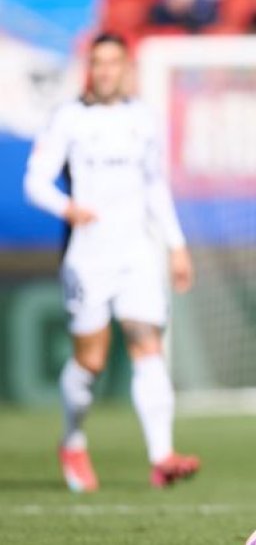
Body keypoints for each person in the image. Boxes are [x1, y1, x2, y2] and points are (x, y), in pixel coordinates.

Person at [23, 33, 200, 492]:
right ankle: (73, 441)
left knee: (147, 345)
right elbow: (35, 182)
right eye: (97, 63)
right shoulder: (68, 119)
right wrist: (68, 209)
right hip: (89, 254)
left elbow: (155, 187)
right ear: (88, 68)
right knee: (92, 361)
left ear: (126, 68)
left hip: (137, 252)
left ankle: (161, 456)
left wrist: (176, 245)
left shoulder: (143, 118)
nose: (105, 71)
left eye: (113, 62)